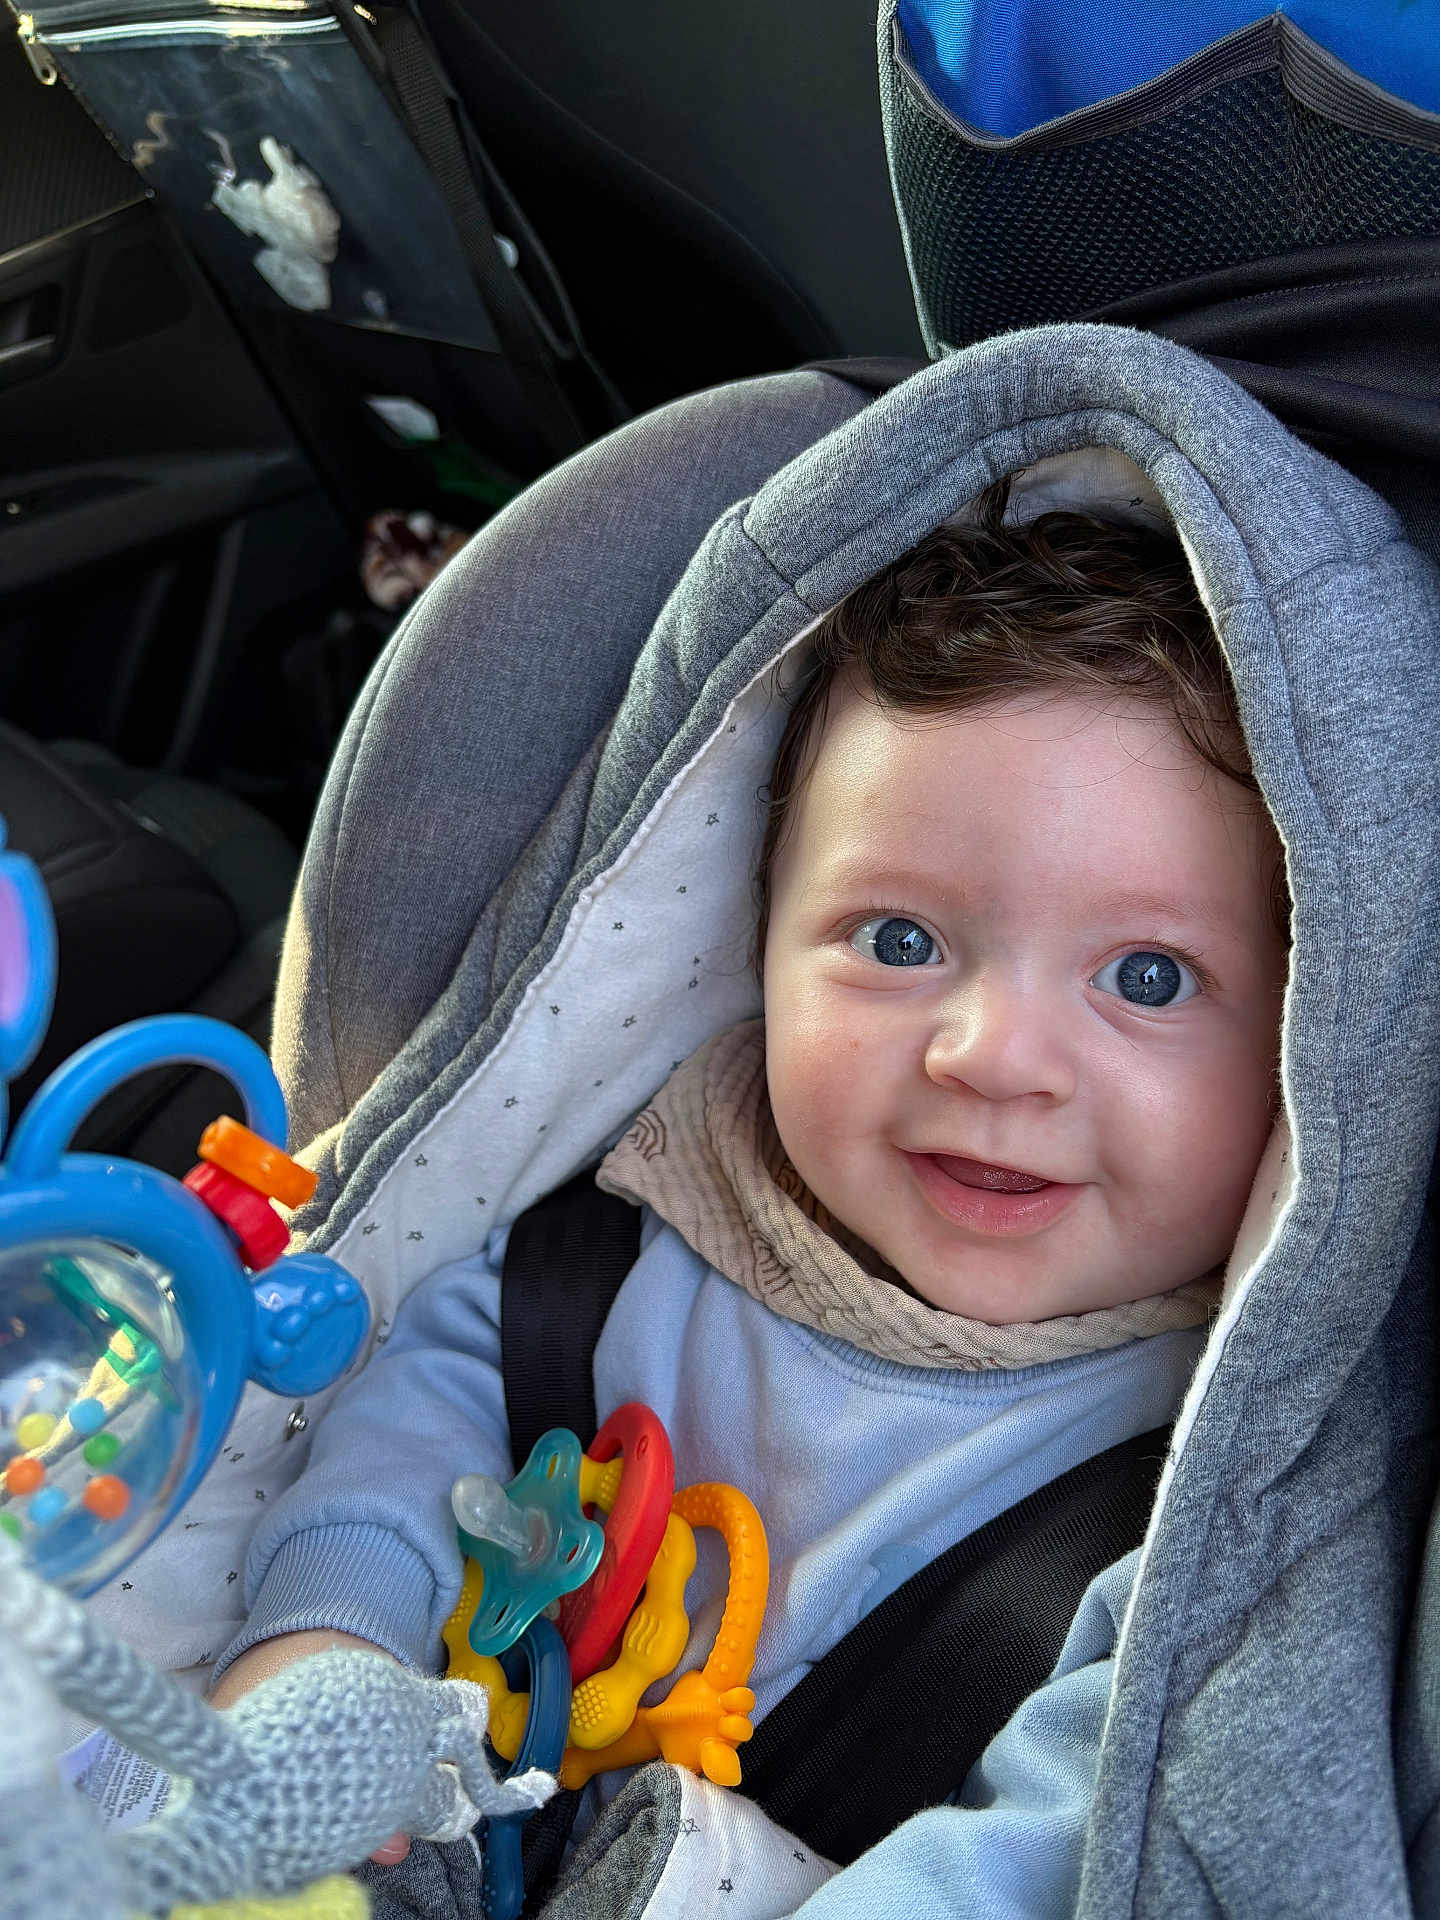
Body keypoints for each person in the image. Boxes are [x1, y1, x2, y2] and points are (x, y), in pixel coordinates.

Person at [207, 483, 1289, 1904]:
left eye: (1146, 977)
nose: (991, 1057)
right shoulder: (608, 1249)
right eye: (896, 940)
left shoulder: (1217, 1497)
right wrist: (329, 1643)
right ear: (752, 946)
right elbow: (416, 1413)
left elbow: (1052, 1852)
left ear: (1302, 1042)